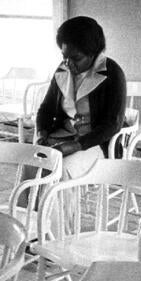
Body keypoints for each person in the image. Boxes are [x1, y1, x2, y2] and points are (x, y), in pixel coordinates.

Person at [36, 16, 127, 178]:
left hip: (96, 143)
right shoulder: (62, 70)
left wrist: (75, 146)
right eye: (64, 56)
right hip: (63, 135)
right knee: (32, 163)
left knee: (60, 170)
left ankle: (54, 204)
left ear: (92, 54)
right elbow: (46, 109)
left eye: (76, 58)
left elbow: (112, 124)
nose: (68, 63)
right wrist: (42, 134)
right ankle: (28, 205)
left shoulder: (112, 73)